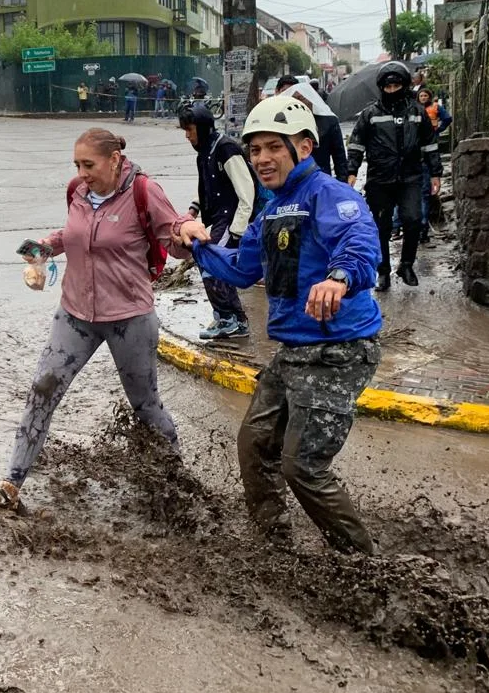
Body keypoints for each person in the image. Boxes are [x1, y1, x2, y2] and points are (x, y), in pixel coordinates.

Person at [0, 128, 208, 514]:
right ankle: (10, 485)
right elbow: (73, 234)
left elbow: (171, 232)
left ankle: (179, 488)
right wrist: (38, 249)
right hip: (75, 314)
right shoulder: (78, 190)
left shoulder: (143, 191)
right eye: (77, 164)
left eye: (88, 164)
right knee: (42, 390)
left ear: (114, 160)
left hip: (129, 317)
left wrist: (186, 232)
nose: (81, 172)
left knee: (144, 404)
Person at [192, 95, 383, 555]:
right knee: (255, 446)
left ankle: (363, 564)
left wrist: (338, 278)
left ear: (302, 146)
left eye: (272, 148)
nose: (260, 159)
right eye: (254, 150)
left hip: (340, 351)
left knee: (303, 466)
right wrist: (197, 247)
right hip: (294, 351)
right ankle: (274, 548)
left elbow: (359, 243)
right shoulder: (272, 208)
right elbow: (242, 268)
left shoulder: (330, 195)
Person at [346, 60, 441, 291]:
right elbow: (356, 144)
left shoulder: (417, 112)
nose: (391, 91)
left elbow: (430, 144)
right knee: (381, 227)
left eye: (396, 86)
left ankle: (406, 264)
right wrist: (351, 171)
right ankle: (383, 271)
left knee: (413, 220)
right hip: (380, 179)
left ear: (405, 85)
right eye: (387, 87)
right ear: (381, 87)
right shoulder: (370, 114)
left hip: (410, 176)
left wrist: (436, 173)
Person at [178, 100, 257, 339]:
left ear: (201, 128)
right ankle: (226, 317)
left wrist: (237, 231)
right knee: (208, 263)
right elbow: (206, 187)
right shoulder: (206, 152)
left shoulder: (226, 149)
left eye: (189, 130)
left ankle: (232, 319)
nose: (187, 136)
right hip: (220, 219)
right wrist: (192, 211)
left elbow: (247, 191)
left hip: (231, 219)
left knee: (214, 264)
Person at [280, 80, 349, 180]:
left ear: (310, 99)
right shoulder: (287, 123)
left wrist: (342, 182)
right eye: (294, 99)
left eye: (301, 98)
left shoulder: (329, 121)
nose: (297, 103)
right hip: (294, 180)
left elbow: (339, 156)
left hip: (321, 177)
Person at [414, 88, 452, 245]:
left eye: (425, 95)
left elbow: (447, 118)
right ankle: (419, 229)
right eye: (421, 95)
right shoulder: (415, 110)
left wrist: (438, 130)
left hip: (424, 154)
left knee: (422, 196)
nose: (423, 98)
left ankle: (421, 229)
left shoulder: (433, 108)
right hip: (420, 157)